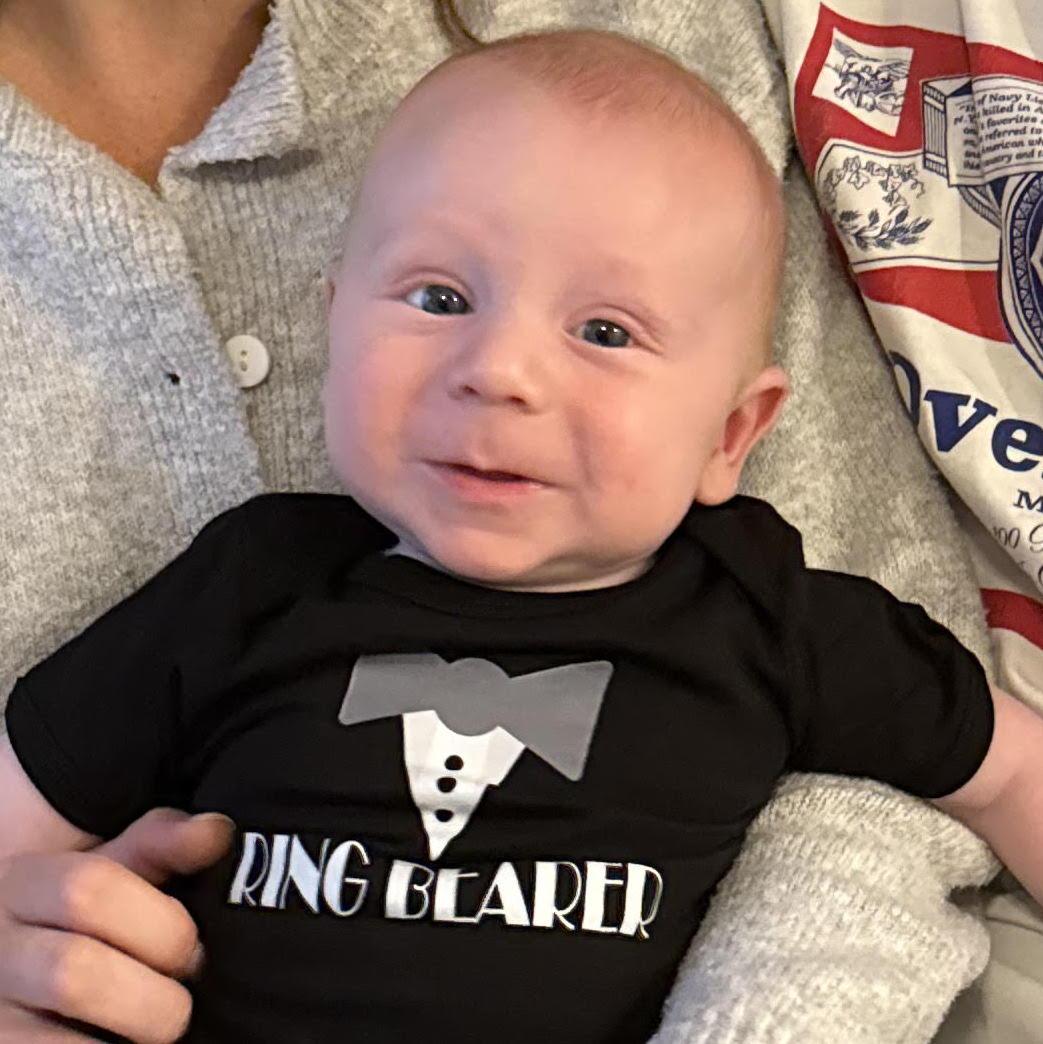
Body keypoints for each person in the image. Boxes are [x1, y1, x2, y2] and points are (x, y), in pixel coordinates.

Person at [4, 25, 1039, 1044]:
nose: (497, 369)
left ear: (730, 435)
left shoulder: (768, 616)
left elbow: (1006, 773)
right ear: (336, 324)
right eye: (439, 298)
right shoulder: (250, 581)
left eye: (604, 332)